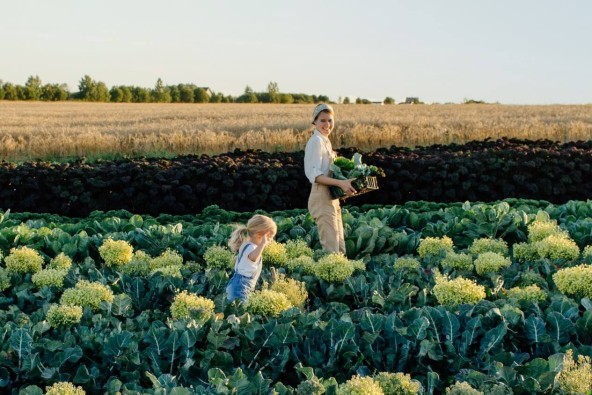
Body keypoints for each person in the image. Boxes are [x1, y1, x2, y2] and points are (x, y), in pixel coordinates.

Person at [304, 103, 356, 254]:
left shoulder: (325, 141)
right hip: (321, 196)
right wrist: (340, 183)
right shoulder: (316, 142)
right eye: (322, 120)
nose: (327, 124)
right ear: (314, 122)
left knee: (339, 246)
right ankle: (330, 277)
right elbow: (314, 175)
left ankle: (341, 276)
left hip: (331, 197)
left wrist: (343, 185)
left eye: (330, 120)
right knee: (331, 249)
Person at [225, 214, 277, 303]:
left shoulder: (246, 244)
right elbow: (252, 257)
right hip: (241, 287)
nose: (271, 240)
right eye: (269, 237)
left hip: (237, 284)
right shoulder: (252, 248)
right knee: (240, 313)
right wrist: (262, 244)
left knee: (234, 312)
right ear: (259, 235)